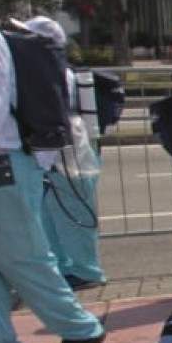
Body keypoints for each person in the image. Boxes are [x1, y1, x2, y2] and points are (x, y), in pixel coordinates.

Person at [0, 25, 107, 343]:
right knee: (3, 264)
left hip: (1, 163)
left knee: (24, 258)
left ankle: (80, 329)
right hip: (4, 164)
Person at [24, 16, 105, 289]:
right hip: (55, 153)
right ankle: (65, 267)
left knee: (73, 214)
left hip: (68, 153)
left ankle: (86, 270)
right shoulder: (45, 71)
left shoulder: (57, 73)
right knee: (51, 216)